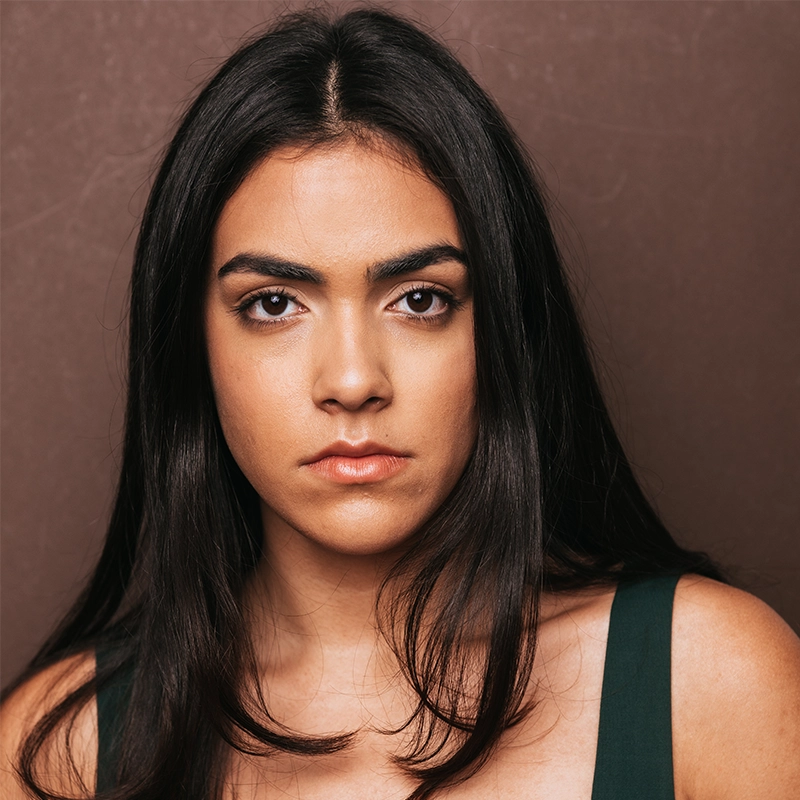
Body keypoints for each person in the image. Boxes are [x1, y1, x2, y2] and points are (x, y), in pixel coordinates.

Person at [2, 7, 799, 800]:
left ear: (505, 329)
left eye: (419, 300)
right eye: (275, 304)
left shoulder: (704, 682)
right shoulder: (56, 755)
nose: (352, 380)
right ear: (191, 345)